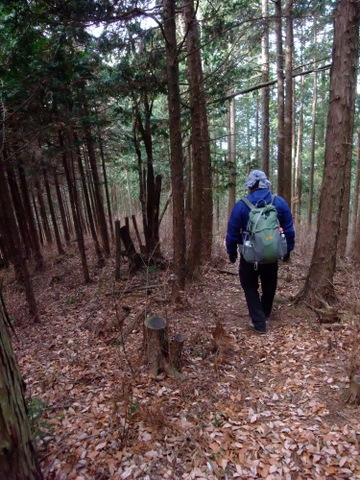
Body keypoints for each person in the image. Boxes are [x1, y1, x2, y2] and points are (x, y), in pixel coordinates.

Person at [226, 170, 295, 334]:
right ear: (266, 184)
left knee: (249, 285)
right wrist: (288, 250)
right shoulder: (279, 202)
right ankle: (265, 312)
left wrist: (232, 251)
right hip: (271, 254)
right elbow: (289, 230)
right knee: (269, 285)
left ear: (250, 186)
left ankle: (259, 322)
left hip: (249, 256)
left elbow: (233, 231)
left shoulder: (241, 205)